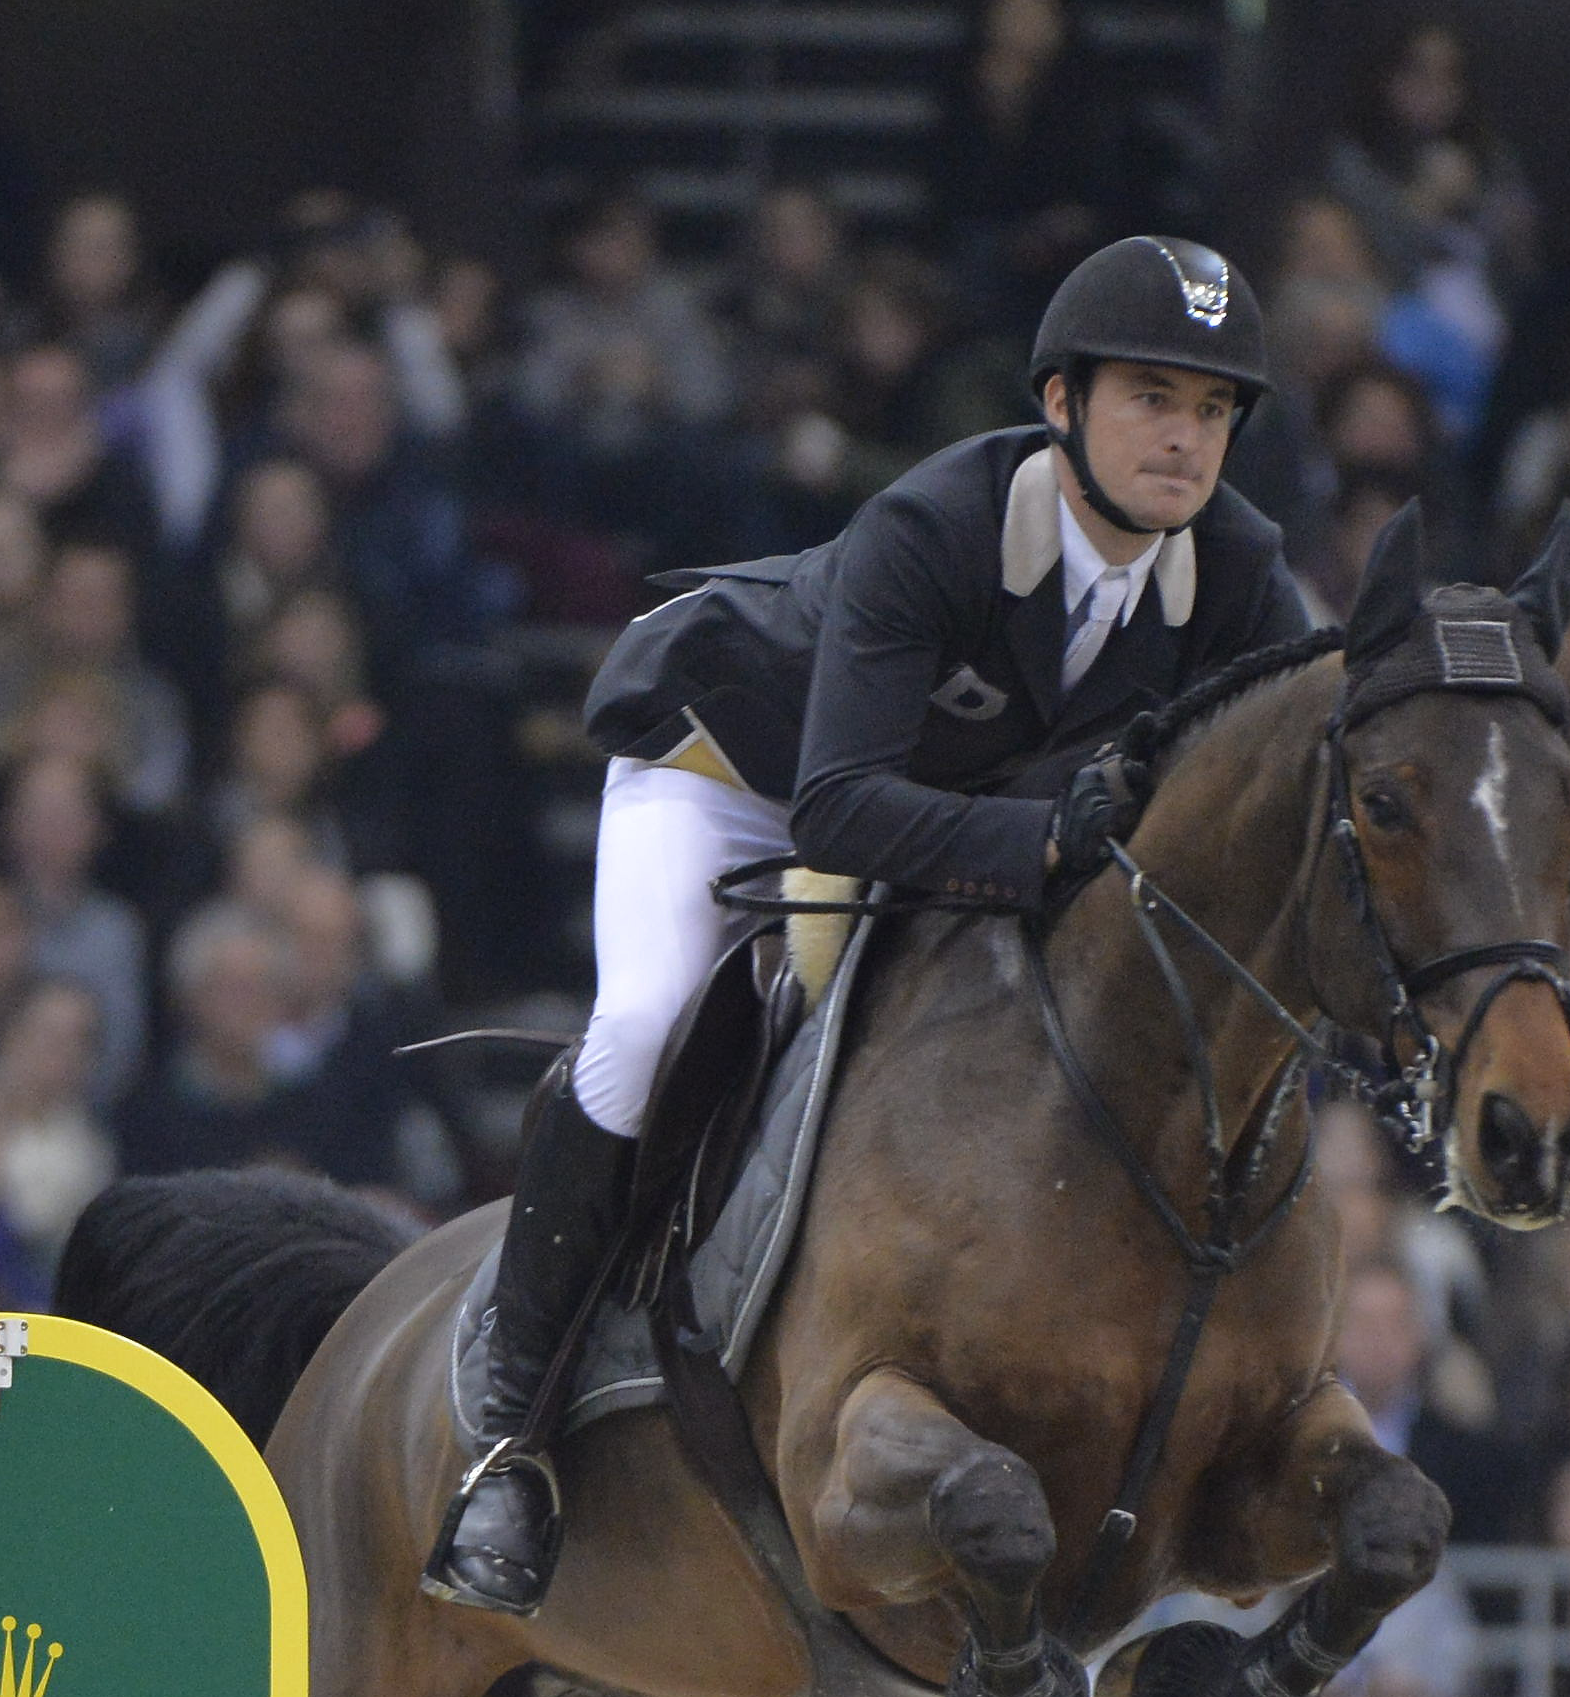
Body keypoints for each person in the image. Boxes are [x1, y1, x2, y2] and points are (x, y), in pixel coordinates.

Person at [445, 233, 1309, 1615]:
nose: (1185, 438)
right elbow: (839, 809)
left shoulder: (1242, 573)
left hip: (955, 824)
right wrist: (1045, 840)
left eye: (1213, 409)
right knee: (648, 1026)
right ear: (1060, 403)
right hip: (736, 773)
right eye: (1153, 396)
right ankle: (511, 1436)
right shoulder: (937, 526)